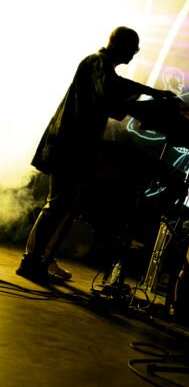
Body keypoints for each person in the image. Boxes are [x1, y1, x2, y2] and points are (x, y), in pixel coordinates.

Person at [16, 26, 175, 282]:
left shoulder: (103, 69)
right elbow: (111, 94)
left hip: (75, 147)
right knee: (58, 204)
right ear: (119, 45)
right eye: (133, 49)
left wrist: (144, 97)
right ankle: (32, 261)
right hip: (69, 145)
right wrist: (152, 93)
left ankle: (43, 258)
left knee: (65, 206)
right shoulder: (96, 62)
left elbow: (113, 105)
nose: (133, 55)